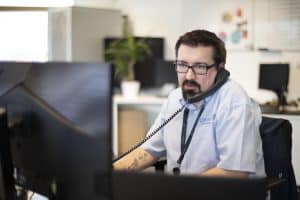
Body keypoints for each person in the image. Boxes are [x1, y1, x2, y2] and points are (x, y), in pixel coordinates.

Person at [113, 29, 265, 178]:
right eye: (182, 65)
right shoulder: (175, 98)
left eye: (200, 67)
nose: (189, 75)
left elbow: (234, 172)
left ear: (220, 69)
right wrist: (108, 173)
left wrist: (182, 191)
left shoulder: (233, 100)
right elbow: (149, 151)